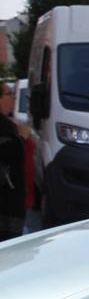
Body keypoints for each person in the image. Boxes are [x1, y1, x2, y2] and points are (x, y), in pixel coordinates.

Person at [0, 82, 25, 240]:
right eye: (9, 94)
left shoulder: (8, 124)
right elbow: (9, 152)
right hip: (6, 201)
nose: (14, 98)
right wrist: (22, 136)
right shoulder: (5, 126)